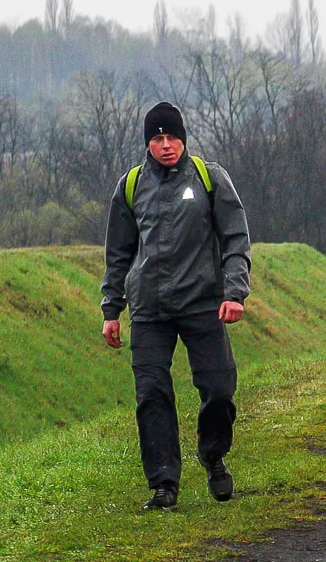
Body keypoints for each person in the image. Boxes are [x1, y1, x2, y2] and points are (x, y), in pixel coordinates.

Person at [101, 101, 252, 510]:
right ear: (148, 143)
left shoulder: (209, 178)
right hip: (149, 309)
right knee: (151, 393)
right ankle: (163, 484)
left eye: (172, 137)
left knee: (219, 389)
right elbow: (118, 252)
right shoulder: (130, 186)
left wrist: (234, 293)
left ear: (183, 138)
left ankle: (213, 454)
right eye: (157, 138)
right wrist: (111, 309)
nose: (166, 145)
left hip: (203, 304)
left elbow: (236, 239)